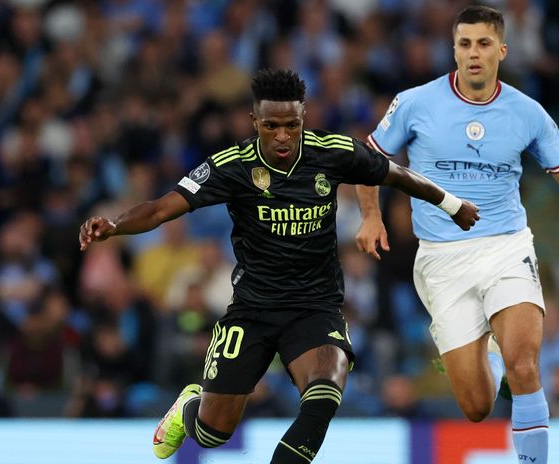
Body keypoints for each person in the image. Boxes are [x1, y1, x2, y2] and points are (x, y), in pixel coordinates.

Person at [78, 69, 478, 463]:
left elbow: (395, 175)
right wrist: (114, 226)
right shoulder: (232, 164)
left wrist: (452, 204)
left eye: (292, 124)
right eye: (272, 125)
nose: (283, 136)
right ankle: (189, 406)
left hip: (316, 306)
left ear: (304, 118)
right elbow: (162, 207)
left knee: (327, 387)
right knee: (212, 433)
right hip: (253, 309)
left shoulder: (332, 151)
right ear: (255, 122)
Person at [355, 6, 559, 464]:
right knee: (475, 407)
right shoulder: (416, 103)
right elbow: (368, 164)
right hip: (441, 260)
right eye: (465, 43)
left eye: (483, 44)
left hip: (506, 247)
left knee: (525, 364)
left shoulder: (527, 113)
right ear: (453, 49)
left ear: (502, 51)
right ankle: (489, 355)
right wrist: (371, 216)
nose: (473, 53)